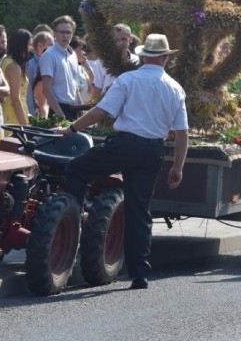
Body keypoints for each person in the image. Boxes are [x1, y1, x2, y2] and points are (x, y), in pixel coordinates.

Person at [58, 34, 189, 290]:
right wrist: (178, 167)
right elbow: (182, 132)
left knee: (76, 169)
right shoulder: (175, 87)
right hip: (153, 150)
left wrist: (71, 129)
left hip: (126, 144)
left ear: (142, 56)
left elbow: (101, 111)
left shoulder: (128, 79)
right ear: (165, 58)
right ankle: (139, 273)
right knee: (139, 211)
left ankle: (70, 231)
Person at [40, 16, 82, 120]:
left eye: (68, 32)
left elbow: (75, 85)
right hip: (57, 108)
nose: (65, 35)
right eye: (62, 32)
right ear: (54, 34)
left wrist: (81, 109)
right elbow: (46, 89)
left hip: (73, 109)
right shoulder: (49, 55)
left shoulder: (73, 55)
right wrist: (60, 115)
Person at [91, 23, 140, 98]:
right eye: (116, 40)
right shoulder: (101, 62)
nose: (120, 43)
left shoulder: (138, 61)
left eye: (124, 39)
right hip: (108, 105)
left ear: (130, 39)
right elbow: (97, 89)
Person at [2, 29, 32, 126]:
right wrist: (24, 125)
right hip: (14, 117)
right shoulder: (14, 67)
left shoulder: (5, 61)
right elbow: (15, 98)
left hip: (11, 113)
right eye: (28, 45)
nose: (30, 48)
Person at [25, 30, 54, 118]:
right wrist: (32, 115)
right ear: (40, 45)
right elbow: (28, 91)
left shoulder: (51, 63)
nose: (53, 49)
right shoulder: (30, 65)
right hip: (38, 114)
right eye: (50, 45)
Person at [69, 36, 95, 104]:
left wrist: (88, 68)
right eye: (81, 49)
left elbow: (88, 95)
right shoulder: (67, 68)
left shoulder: (81, 69)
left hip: (80, 108)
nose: (84, 53)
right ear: (72, 50)